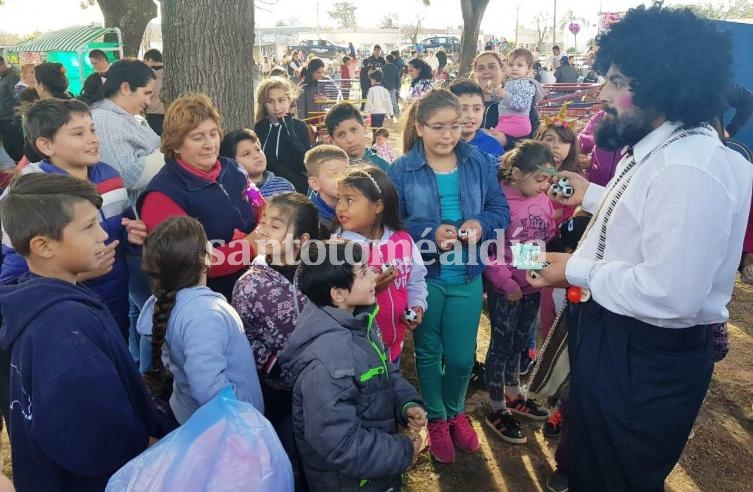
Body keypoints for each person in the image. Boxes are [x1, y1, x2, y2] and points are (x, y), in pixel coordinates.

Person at [526, 7, 753, 491]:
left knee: (616, 475)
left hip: (644, 352)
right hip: (619, 334)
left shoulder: (689, 169)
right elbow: (648, 214)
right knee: (591, 457)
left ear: (666, 84)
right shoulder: (664, 149)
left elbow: (671, 294)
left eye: (618, 81)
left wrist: (576, 270)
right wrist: (588, 193)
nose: (603, 94)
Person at [0, 173, 161, 491]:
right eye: (88, 226)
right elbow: (102, 443)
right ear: (44, 246)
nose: (103, 234)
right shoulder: (65, 336)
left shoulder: (33, 299)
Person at [388, 89, 509, 464]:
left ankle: (457, 411)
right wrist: (428, 233)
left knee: (460, 358)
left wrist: (481, 223)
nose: (448, 135)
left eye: (454, 126)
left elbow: (499, 210)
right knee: (427, 351)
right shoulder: (401, 169)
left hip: (469, 275)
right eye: (438, 127)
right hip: (427, 278)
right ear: (420, 127)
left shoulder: (480, 162)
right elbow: (394, 224)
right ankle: (438, 418)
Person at [279, 241, 427, 492]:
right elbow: (341, 444)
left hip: (373, 474)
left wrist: (406, 403)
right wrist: (403, 450)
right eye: (363, 272)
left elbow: (384, 369)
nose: (374, 275)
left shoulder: (359, 320)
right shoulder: (328, 363)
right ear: (338, 294)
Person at [1, 98, 145, 340]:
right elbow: (12, 281)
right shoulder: (28, 193)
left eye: (93, 129)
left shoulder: (110, 177)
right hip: (62, 317)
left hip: (113, 304)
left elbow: (121, 232)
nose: (93, 139)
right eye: (78, 133)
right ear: (46, 145)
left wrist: (133, 237)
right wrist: (79, 275)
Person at [231, 192, 321, 489]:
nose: (263, 231)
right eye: (264, 222)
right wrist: (271, 365)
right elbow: (246, 336)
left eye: (276, 225)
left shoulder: (322, 273)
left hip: (326, 382)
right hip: (279, 393)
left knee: (324, 450)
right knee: (286, 455)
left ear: (302, 239)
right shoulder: (249, 283)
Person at [138, 215, 263, 424]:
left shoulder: (164, 302)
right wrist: (245, 417)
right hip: (228, 430)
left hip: (188, 413)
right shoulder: (204, 316)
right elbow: (208, 389)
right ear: (206, 258)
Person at [137, 93, 259, 300]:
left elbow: (259, 204)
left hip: (255, 287)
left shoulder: (233, 168)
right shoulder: (161, 195)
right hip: (210, 301)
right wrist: (250, 246)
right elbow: (189, 264)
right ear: (175, 145)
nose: (210, 144)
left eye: (213, 133)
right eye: (197, 137)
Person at [483, 141, 556, 444]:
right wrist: (507, 283)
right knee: (501, 344)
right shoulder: (499, 202)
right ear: (515, 173)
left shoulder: (542, 199)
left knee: (519, 342)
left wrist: (534, 275)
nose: (545, 186)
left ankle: (514, 392)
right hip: (507, 290)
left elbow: (545, 234)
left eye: (549, 180)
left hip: (533, 286)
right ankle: (496, 405)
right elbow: (490, 250)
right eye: (539, 179)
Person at [334, 166, 428, 363]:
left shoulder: (403, 241)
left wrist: (417, 306)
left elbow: (416, 281)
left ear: (378, 206)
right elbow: (336, 300)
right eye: (338, 200)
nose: (340, 207)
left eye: (349, 200)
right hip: (357, 352)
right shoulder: (338, 247)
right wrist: (373, 290)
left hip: (394, 348)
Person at [84, 58, 161, 201]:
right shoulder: (103, 121)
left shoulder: (133, 117)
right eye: (146, 93)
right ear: (125, 88)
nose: (148, 101)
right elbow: (126, 176)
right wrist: (168, 154)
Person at [253, 76, 311, 194]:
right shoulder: (259, 128)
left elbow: (304, 164)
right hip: (265, 191)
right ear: (264, 104)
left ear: (290, 100)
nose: (276, 107)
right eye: (270, 101)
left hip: (296, 191)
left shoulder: (299, 126)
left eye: (281, 100)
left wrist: (290, 132)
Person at [534, 109, 581, 225]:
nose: (556, 146)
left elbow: (573, 213)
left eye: (563, 141)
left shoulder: (576, 180)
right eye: (550, 140)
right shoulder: (527, 172)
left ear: (572, 147)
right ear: (539, 141)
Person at [220, 128, 295, 197]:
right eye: (246, 154)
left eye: (258, 149)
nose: (256, 156)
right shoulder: (228, 191)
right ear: (231, 162)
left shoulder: (284, 185)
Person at [324, 102, 390, 171]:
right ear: (332, 140)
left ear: (364, 128)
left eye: (354, 130)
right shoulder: (330, 172)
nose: (350, 139)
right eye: (341, 135)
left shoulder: (384, 167)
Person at [449, 79, 504, 159]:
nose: (471, 115)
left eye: (477, 109)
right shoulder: (442, 144)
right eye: (463, 109)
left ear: (483, 110)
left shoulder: (493, 146)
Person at [304, 144, 348, 231]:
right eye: (334, 174)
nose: (343, 178)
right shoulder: (308, 219)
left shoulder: (356, 207)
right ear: (314, 183)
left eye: (346, 173)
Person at [496, 48, 537, 140]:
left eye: (520, 65)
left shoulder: (526, 84)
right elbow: (502, 101)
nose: (514, 68)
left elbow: (522, 105)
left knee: (492, 137)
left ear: (528, 70)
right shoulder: (510, 82)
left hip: (517, 122)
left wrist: (505, 95)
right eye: (511, 65)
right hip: (506, 120)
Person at [471, 51, 508, 147]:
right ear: (475, 74)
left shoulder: (517, 100)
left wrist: (507, 140)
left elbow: (534, 135)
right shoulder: (467, 101)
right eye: (480, 68)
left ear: (503, 70)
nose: (486, 71)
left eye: (492, 66)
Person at [577, 110, 621, 186]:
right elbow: (581, 142)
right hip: (593, 185)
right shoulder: (599, 118)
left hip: (621, 191)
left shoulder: (640, 124)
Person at [296, 57, 341, 131]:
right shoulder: (303, 86)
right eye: (318, 72)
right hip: (310, 124)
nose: (321, 75)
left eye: (322, 72)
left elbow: (338, 98)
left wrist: (327, 100)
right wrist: (304, 128)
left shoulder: (327, 80)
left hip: (326, 121)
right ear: (311, 72)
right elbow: (300, 111)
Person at [0, 55, 22, 162]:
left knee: (16, 147)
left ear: (2, 64)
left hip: (10, 119)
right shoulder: (2, 78)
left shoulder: (12, 77)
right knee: (8, 147)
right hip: (3, 120)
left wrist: (15, 119)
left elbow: (19, 99)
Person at [364, 70, 393, 142]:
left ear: (373, 79)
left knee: (375, 132)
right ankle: (378, 146)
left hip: (374, 113)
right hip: (382, 113)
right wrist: (391, 113)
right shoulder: (385, 90)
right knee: (380, 130)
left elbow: (369, 102)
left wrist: (365, 113)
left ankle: (375, 147)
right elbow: (389, 103)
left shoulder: (371, 89)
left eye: (371, 79)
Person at [143, 49, 165, 136]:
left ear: (150, 59)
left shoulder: (146, 75)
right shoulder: (171, 72)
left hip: (152, 113)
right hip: (169, 112)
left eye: (145, 61)